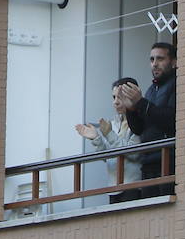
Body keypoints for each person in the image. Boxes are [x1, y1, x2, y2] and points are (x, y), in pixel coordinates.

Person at [117, 42, 177, 198]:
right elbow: (139, 129)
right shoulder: (151, 90)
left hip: (167, 161)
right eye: (152, 60)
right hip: (149, 162)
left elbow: (171, 120)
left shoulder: (177, 85)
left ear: (174, 62)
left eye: (160, 59)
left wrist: (141, 103)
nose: (155, 64)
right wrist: (131, 109)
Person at [74, 76, 144, 203]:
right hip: (113, 188)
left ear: (131, 96)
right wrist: (96, 138)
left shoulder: (139, 121)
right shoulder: (113, 123)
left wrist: (109, 134)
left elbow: (134, 153)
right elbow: (108, 157)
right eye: (114, 97)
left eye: (120, 97)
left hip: (133, 187)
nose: (115, 102)